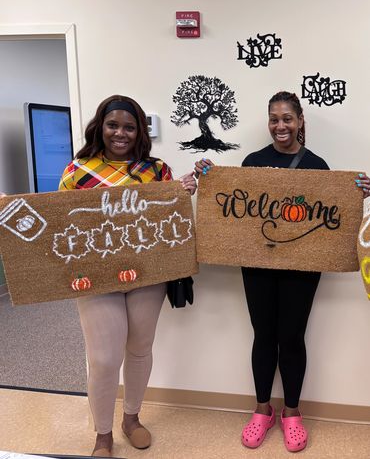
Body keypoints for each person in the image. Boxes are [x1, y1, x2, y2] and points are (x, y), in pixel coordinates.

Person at [194, 91, 370, 453]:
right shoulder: (253, 160)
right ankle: (262, 410)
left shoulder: (318, 166)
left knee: (291, 336)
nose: (280, 126)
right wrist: (208, 176)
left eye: (287, 118)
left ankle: (292, 412)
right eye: (274, 119)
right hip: (257, 264)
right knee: (263, 334)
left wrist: (359, 195)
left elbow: (332, 213)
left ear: (300, 120)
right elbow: (235, 206)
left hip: (303, 265)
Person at [59, 94, 196, 457]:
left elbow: (168, 215)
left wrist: (181, 193)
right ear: (100, 127)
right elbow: (58, 221)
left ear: (140, 132)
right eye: (113, 125)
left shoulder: (156, 171)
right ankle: (102, 435)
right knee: (103, 358)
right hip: (95, 276)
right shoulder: (78, 171)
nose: (121, 133)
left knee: (139, 349)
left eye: (129, 127)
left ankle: (131, 419)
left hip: (147, 274)